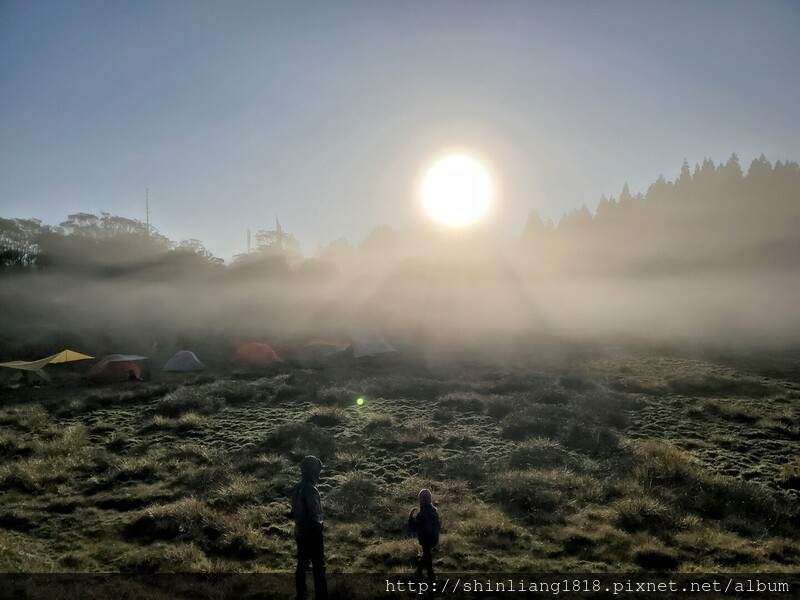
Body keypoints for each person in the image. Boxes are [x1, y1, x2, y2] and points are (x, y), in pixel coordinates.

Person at [291, 455, 327, 600]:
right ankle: (321, 596)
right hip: (312, 533)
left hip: (299, 532)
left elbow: (293, 512)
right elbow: (314, 514)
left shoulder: (296, 488)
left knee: (302, 565)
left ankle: (301, 594)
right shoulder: (311, 489)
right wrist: (319, 527)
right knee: (318, 567)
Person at [407, 488, 440, 582]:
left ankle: (430, 576)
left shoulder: (421, 515)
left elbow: (412, 529)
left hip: (426, 539)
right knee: (427, 554)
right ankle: (420, 572)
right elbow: (438, 526)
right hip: (434, 538)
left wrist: (410, 517)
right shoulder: (434, 512)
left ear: (420, 500)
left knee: (427, 554)